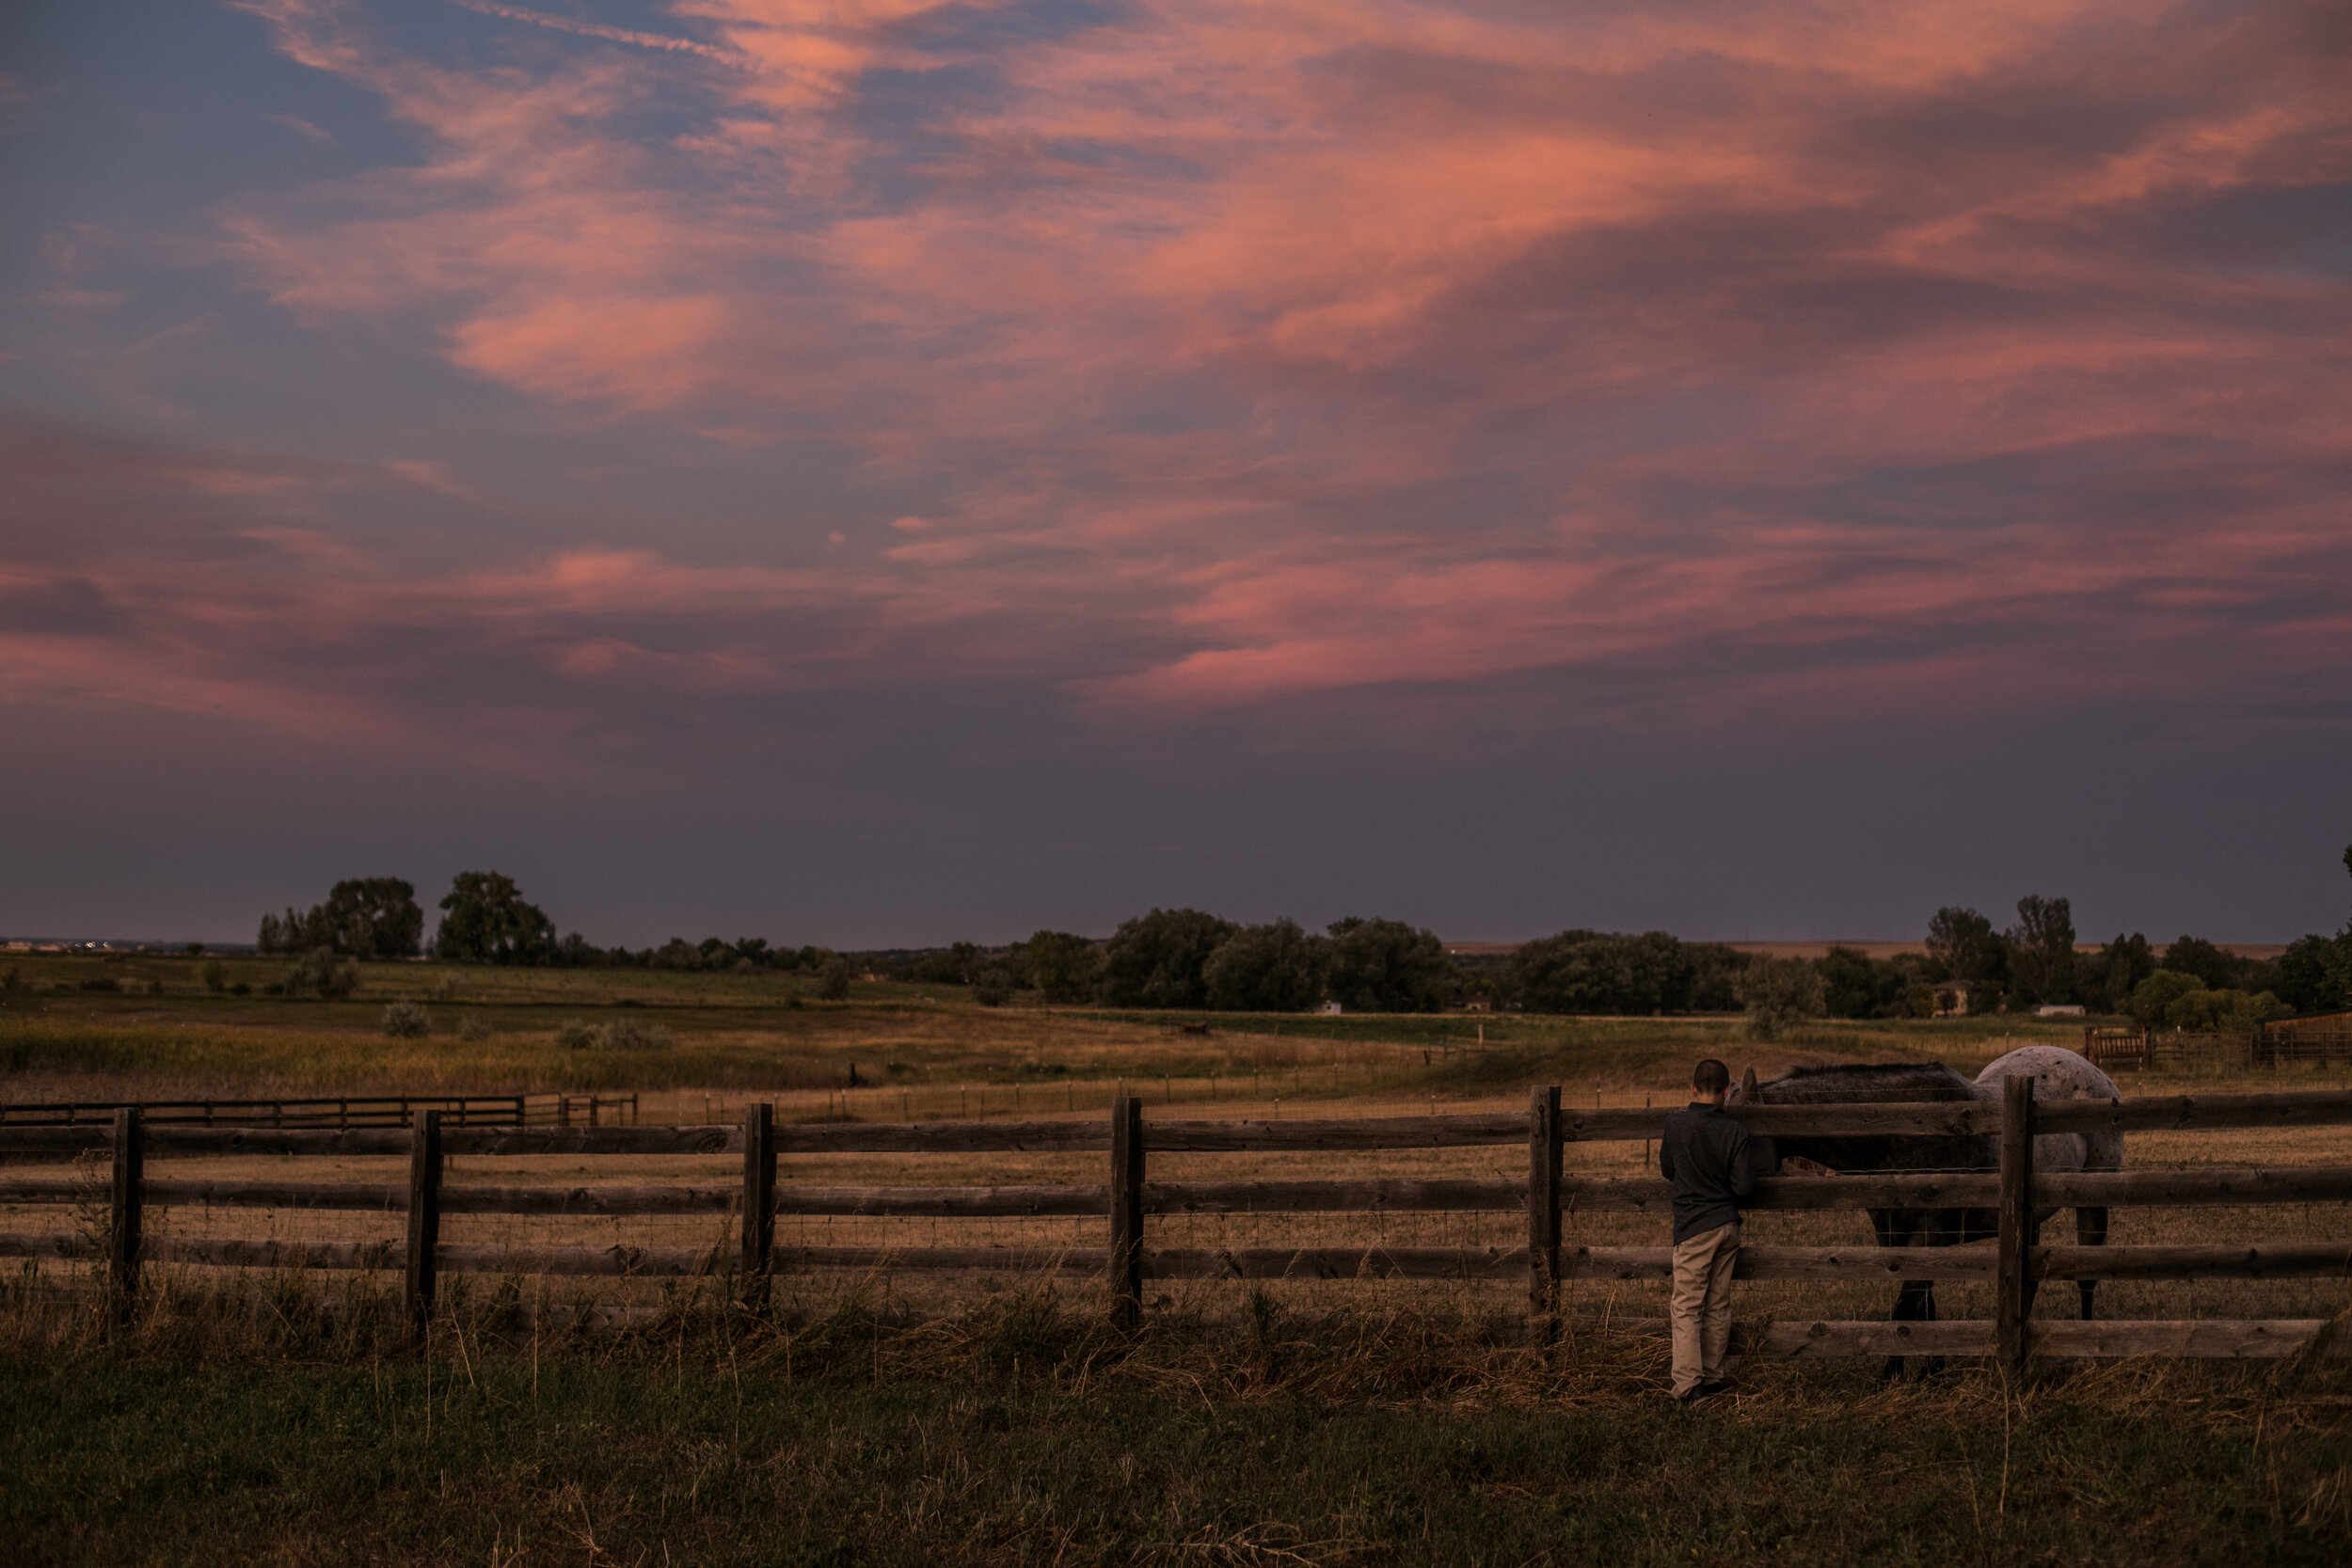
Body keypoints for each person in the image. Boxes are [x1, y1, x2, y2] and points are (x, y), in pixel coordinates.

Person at [1658, 1057, 1762, 1402]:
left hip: (1693, 1227)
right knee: (1718, 1303)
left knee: (1686, 1306)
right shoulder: (1735, 1132)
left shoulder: (1675, 1126)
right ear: (1726, 1090)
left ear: (1692, 1088)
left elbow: (1668, 1170)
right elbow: (1744, 1186)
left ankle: (1688, 1386)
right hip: (1727, 1226)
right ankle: (1714, 1376)